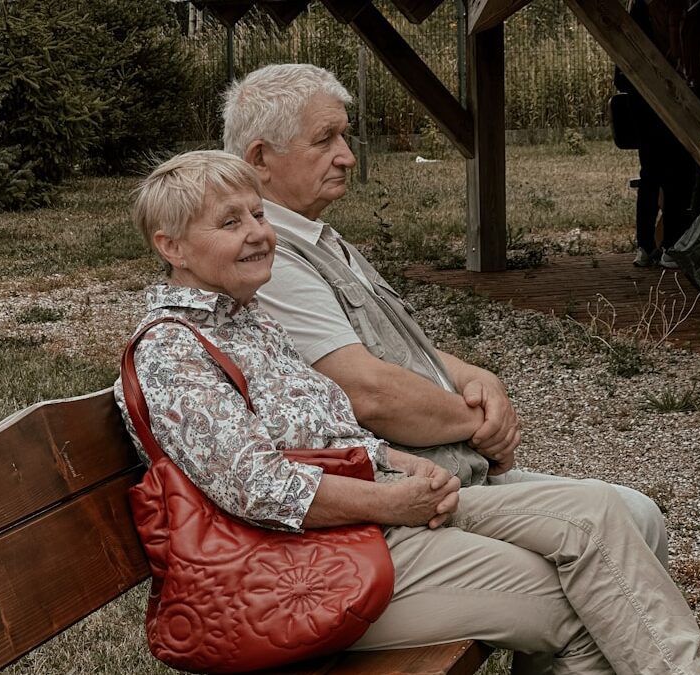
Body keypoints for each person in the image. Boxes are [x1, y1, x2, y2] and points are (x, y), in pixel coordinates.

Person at [114, 150, 700, 674]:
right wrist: (391, 501)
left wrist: (400, 464)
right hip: (301, 567)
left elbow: (328, 434)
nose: (258, 233)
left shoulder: (248, 320)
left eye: (258, 215)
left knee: (600, 513)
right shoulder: (171, 350)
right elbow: (260, 488)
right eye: (230, 222)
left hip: (371, 520)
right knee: (584, 602)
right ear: (172, 247)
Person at [221, 64, 669, 565]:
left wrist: (478, 378)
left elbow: (395, 348)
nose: (347, 156)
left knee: (636, 516)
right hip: (412, 493)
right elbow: (367, 394)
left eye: (344, 136)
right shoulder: (272, 259)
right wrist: (480, 423)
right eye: (325, 140)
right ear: (260, 158)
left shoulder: (315, 236)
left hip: (452, 472)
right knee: (626, 521)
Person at [614, 0, 697, 268]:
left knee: (652, 174)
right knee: (675, 175)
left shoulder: (640, 9)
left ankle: (647, 246)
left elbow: (621, 73)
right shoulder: (672, 9)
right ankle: (668, 246)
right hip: (664, 102)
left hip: (643, 100)